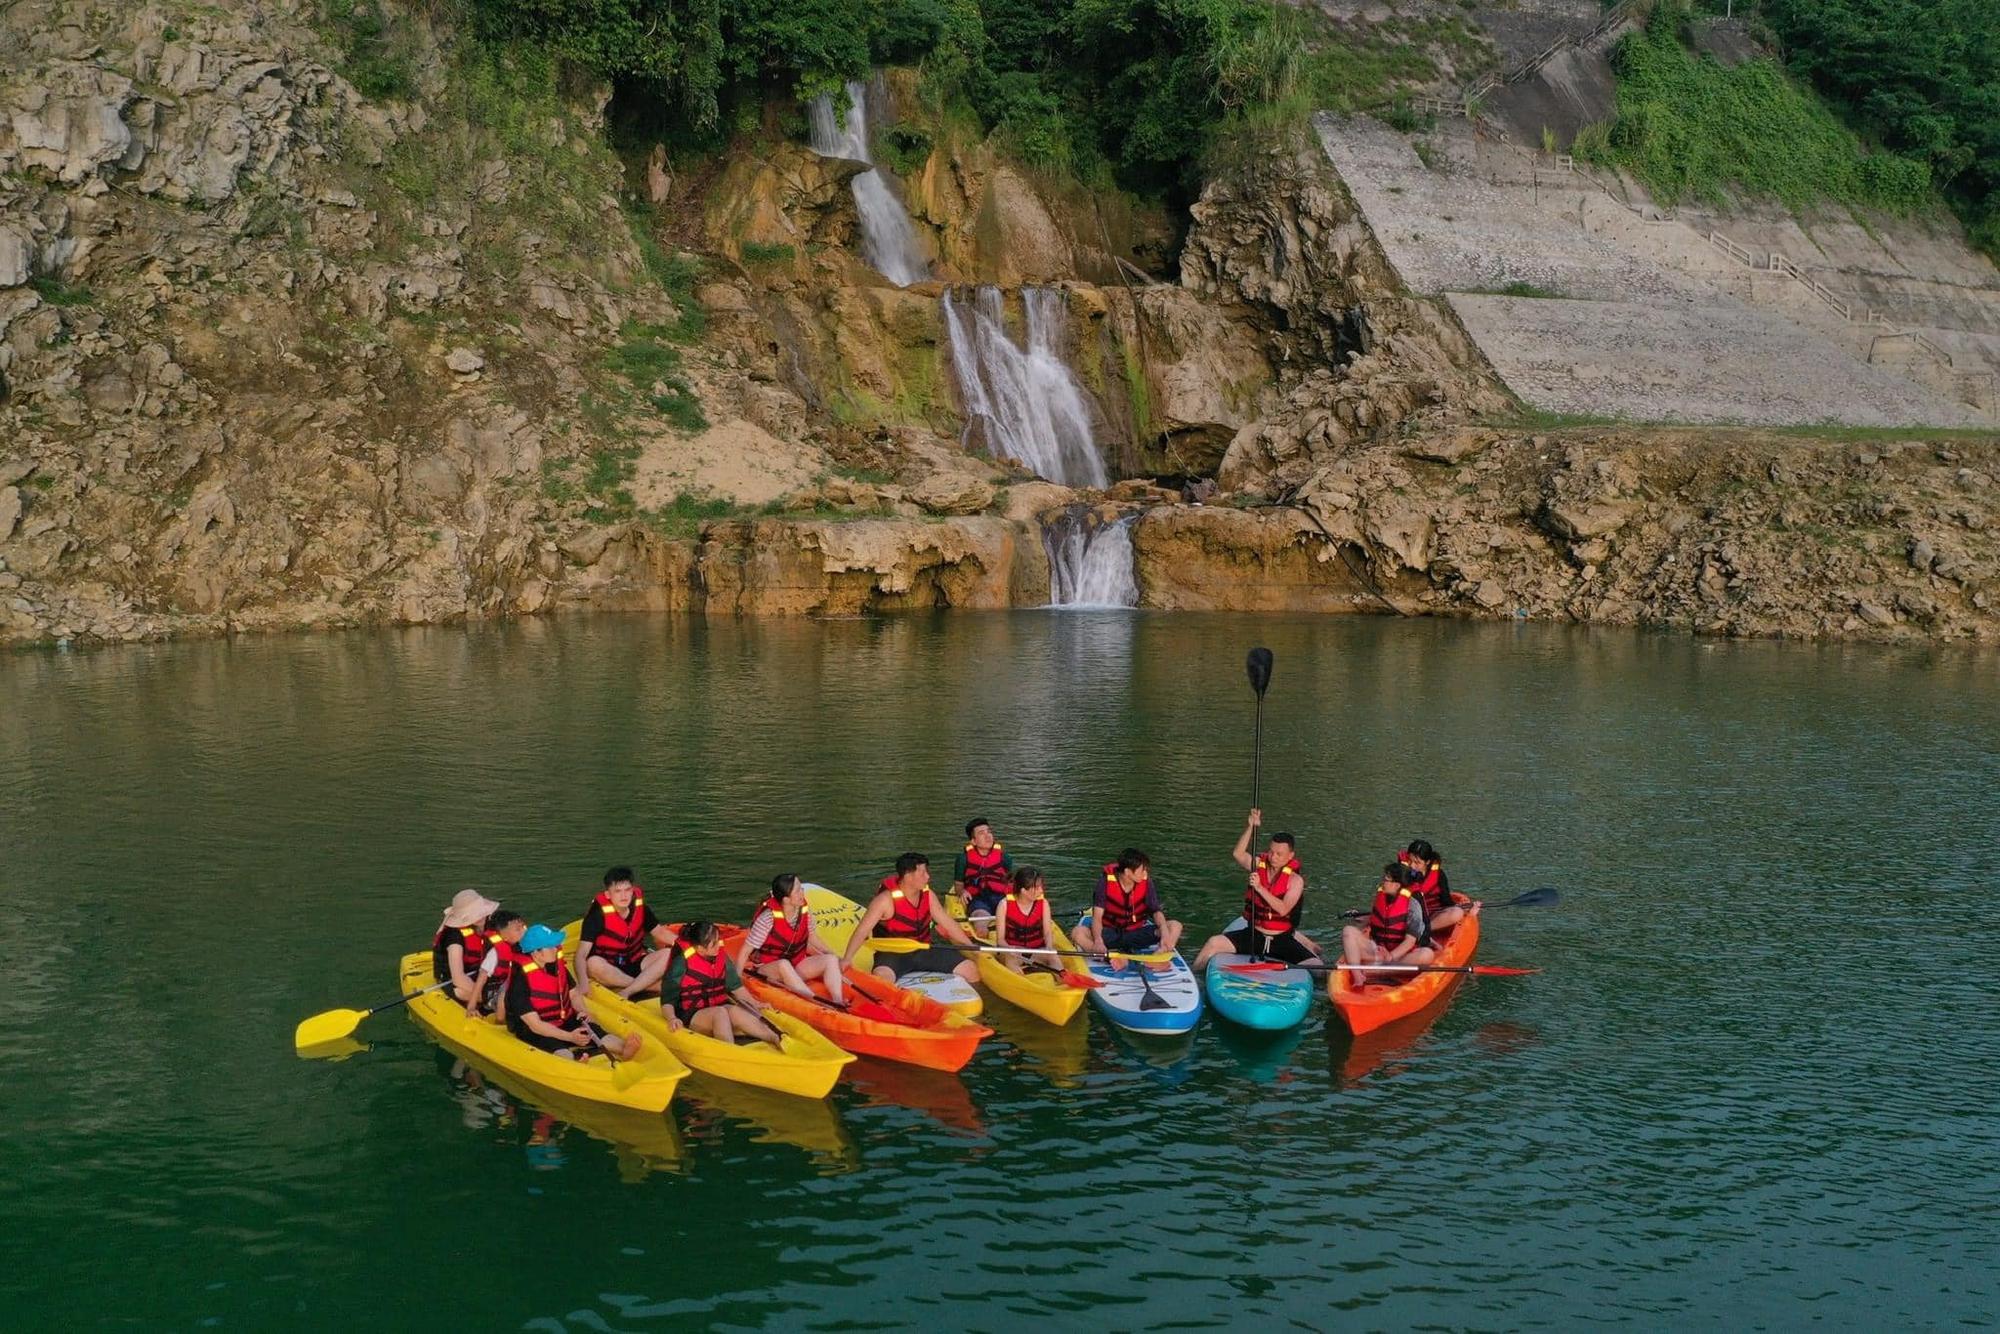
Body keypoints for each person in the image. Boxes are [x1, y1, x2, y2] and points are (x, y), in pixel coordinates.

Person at [1192, 810, 1319, 967]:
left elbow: (1284, 909)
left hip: (1281, 941)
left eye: (1279, 854)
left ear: (1290, 856)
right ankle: (1194, 979)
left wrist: (1259, 888)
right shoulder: (1259, 865)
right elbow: (1238, 854)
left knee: (1318, 967)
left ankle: (1308, 947)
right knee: (1212, 943)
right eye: (1271, 852)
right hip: (1254, 936)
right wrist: (1251, 826)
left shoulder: (1295, 880)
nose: (1273, 857)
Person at [504, 924, 643, 1060]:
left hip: (563, 1019)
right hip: (535, 1029)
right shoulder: (520, 979)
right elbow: (535, 1024)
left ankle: (624, 1048)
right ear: (536, 952)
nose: (556, 949)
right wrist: (570, 1037)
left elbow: (573, 994)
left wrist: (583, 1011)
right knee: (561, 1051)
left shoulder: (555, 966)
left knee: (594, 1031)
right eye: (550, 946)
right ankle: (574, 1060)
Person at [843, 852, 982, 985]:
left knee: (971, 969)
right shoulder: (884, 901)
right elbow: (862, 931)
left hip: (923, 949)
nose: (927, 877)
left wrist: (969, 945)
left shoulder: (928, 895)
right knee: (881, 978)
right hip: (893, 954)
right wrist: (847, 959)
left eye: (927, 872)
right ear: (908, 876)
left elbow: (948, 924)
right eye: (922, 873)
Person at [662, 921, 785, 1048]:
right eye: (713, 944)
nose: (718, 946)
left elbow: (736, 987)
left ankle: (774, 1038)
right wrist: (672, 1018)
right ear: (700, 948)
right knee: (719, 1013)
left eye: (718, 941)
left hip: (717, 1006)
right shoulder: (680, 964)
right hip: (691, 1014)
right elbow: (667, 1000)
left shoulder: (721, 957)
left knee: (734, 1011)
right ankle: (731, 1051)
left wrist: (757, 1004)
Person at [734, 873, 848, 1007]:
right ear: (786, 899)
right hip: (770, 969)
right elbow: (745, 951)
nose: (802, 893)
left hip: (796, 963)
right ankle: (815, 1002)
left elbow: (812, 937)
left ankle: (837, 1000)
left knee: (830, 959)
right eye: (798, 890)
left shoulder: (803, 909)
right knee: (783, 964)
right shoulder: (767, 919)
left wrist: (831, 953)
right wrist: (736, 983)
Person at [575, 866, 678, 998]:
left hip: (636, 961)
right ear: (608, 894)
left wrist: (689, 946)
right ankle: (652, 986)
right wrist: (583, 983)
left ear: (632, 890)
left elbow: (660, 933)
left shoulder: (640, 909)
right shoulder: (596, 916)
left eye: (627, 890)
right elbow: (581, 954)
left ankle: (629, 990)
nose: (624, 896)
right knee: (592, 964)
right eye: (617, 891)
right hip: (608, 966)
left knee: (669, 953)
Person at [1072, 849, 1183, 969]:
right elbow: (1097, 917)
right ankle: (1108, 957)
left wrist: (1165, 933)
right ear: (1128, 872)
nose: (1145, 873)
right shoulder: (1105, 883)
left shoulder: (1146, 882)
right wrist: (1098, 941)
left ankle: (1157, 957)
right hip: (1110, 934)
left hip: (1136, 932)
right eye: (1142, 870)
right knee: (1077, 932)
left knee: (1175, 926)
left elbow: (1156, 912)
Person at [1339, 862, 1437, 986]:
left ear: (1396, 885)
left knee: (1426, 955)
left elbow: (1410, 941)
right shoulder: (1381, 898)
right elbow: (1374, 921)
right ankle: (1357, 975)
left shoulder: (1413, 906)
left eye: (1386, 879)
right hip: (1378, 951)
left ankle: (1376, 972)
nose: (1382, 882)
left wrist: (1391, 956)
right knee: (1348, 931)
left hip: (1400, 956)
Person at [433, 889, 500, 1007]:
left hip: (482, 972)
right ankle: (492, 1002)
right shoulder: (453, 936)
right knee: (461, 992)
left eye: (480, 911)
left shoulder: (492, 924)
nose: (479, 916)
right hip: (457, 979)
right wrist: (485, 995)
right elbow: (458, 978)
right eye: (473, 914)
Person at [989, 866, 1060, 974]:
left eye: (1041, 886)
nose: (1041, 890)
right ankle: (1022, 983)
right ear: (1023, 891)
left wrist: (1049, 947)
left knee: (1053, 957)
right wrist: (1009, 949)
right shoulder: (1004, 905)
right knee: (1010, 960)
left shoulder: (1044, 903)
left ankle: (1063, 979)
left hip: (1036, 950)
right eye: (1037, 887)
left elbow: (1047, 932)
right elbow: (1000, 940)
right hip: (1013, 952)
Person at [1403, 839, 1480, 933]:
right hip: (1409, 918)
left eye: (1417, 862)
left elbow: (1446, 901)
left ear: (1427, 862)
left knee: (1457, 912)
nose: (1412, 866)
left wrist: (1465, 909)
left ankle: (1423, 931)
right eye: (1410, 860)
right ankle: (1416, 931)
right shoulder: (1401, 873)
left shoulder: (1439, 875)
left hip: (1432, 917)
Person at [951, 819, 1014, 924]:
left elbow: (1010, 881)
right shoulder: (963, 859)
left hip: (1001, 898)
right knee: (981, 923)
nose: (988, 836)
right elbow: (958, 884)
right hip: (978, 899)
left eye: (989, 832)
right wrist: (962, 892)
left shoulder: (1005, 858)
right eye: (981, 833)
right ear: (973, 841)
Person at [471, 909, 528, 1018]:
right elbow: (481, 979)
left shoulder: (527, 948)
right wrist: (471, 1006)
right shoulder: (495, 954)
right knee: (506, 989)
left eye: (523, 927)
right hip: (495, 994)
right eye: (518, 929)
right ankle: (500, 1020)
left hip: (516, 989)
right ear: (504, 936)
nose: (524, 931)